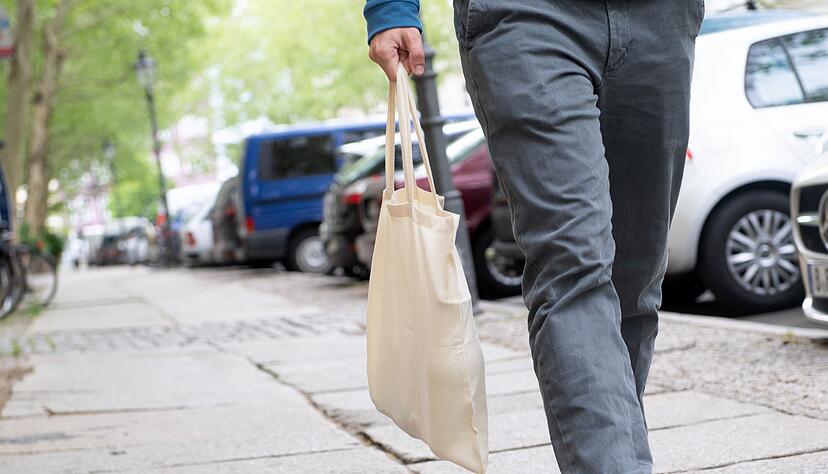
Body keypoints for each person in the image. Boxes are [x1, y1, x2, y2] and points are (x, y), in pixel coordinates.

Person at [364, 0, 703, 472]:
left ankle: (611, 453)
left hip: (659, 19)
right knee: (573, 267)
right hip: (523, 18)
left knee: (636, 277)